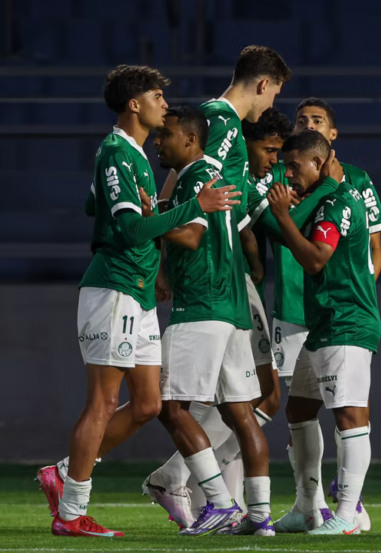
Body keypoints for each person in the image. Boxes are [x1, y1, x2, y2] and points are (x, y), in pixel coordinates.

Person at [37, 65, 240, 538]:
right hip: (114, 288)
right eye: (156, 96)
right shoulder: (116, 154)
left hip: (138, 292)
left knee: (149, 404)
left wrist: (140, 209)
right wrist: (195, 206)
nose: (163, 105)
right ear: (135, 105)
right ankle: (71, 512)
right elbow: (127, 229)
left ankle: (65, 472)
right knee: (104, 401)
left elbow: (96, 205)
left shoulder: (129, 156)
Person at [150, 45, 291, 537]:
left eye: (167, 136)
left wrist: (157, 220)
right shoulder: (222, 120)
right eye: (274, 90)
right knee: (241, 409)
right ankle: (257, 516)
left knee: (170, 404)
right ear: (262, 82)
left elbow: (193, 185)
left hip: (208, 286)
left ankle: (217, 502)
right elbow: (199, 188)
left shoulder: (217, 123)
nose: (269, 103)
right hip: (228, 289)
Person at [272, 98, 381, 533]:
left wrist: (282, 216)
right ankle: (307, 507)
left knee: (350, 415)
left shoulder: (337, 201)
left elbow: (317, 259)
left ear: (319, 163)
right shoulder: (319, 198)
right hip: (321, 323)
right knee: (299, 410)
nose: (288, 174)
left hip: (345, 322)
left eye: (295, 167)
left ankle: (348, 516)